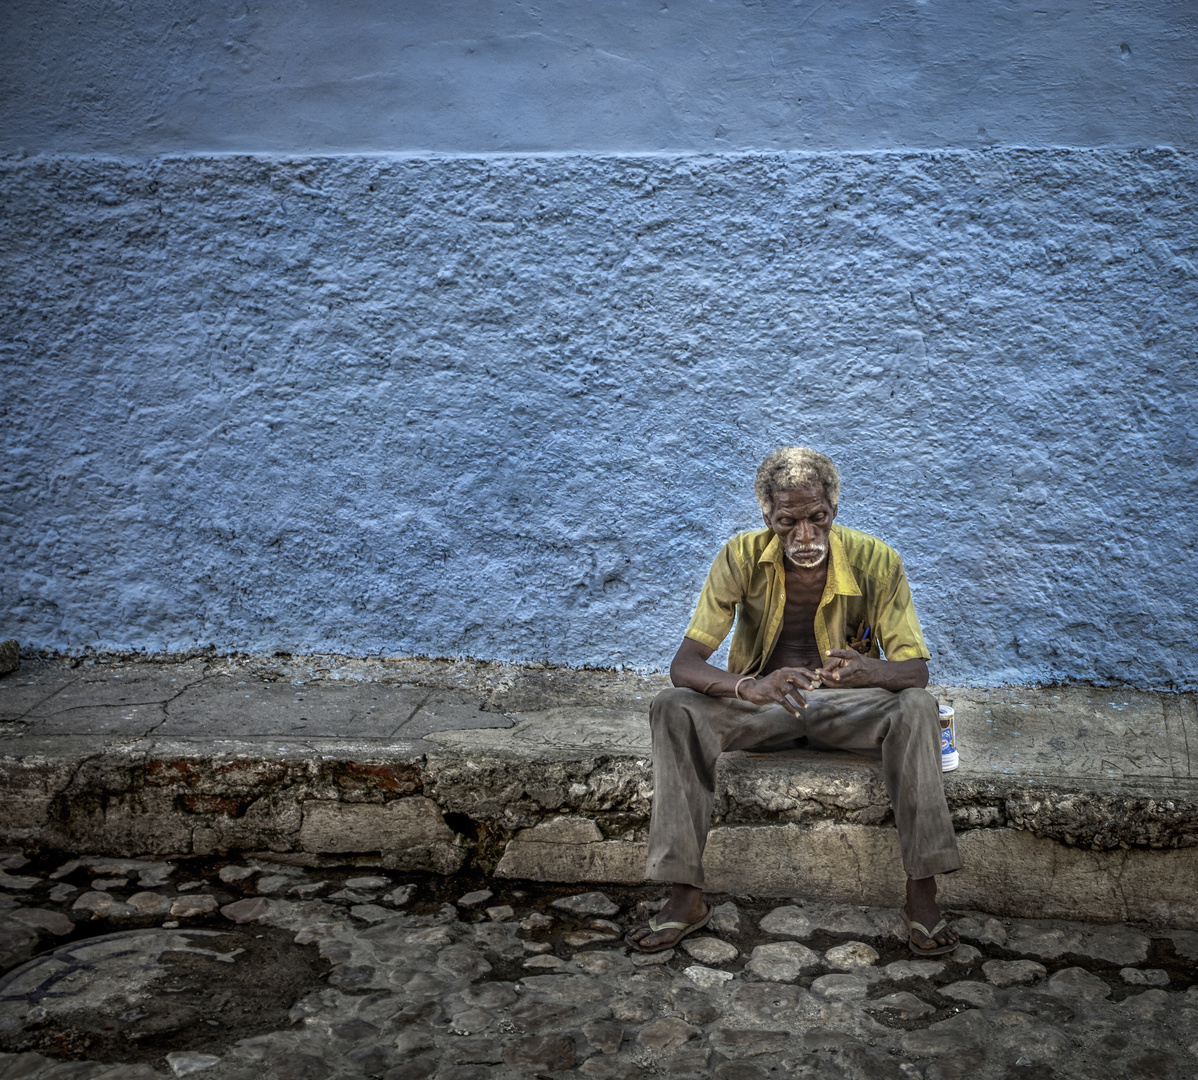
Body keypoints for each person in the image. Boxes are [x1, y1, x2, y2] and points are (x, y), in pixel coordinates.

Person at [626, 447, 961, 956]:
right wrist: (747, 687)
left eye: (817, 519)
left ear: (833, 510)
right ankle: (684, 897)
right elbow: (685, 664)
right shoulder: (740, 556)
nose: (805, 536)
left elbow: (915, 670)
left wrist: (870, 670)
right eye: (788, 522)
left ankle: (923, 896)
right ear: (767, 517)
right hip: (764, 706)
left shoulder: (877, 560)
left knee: (917, 707)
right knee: (672, 707)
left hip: (846, 708)